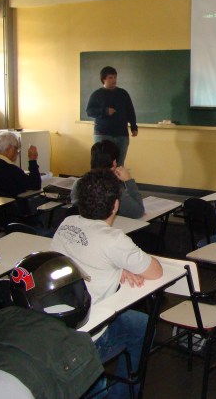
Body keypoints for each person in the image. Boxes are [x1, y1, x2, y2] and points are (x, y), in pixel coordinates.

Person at [50, 168, 163, 399]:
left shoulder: (67, 223)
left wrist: (118, 267)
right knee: (144, 327)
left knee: (138, 322)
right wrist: (122, 264)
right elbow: (156, 271)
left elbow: (87, 256)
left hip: (57, 327)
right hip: (90, 336)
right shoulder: (114, 240)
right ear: (115, 206)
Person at [70, 140, 144, 219]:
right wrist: (128, 180)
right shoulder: (112, 188)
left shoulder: (78, 183)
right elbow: (138, 211)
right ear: (114, 162)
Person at [86, 66, 138, 166]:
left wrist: (134, 127)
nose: (114, 80)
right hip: (103, 134)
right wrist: (105, 111)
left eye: (115, 77)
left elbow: (130, 111)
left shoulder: (123, 93)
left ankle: (118, 177)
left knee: (119, 164)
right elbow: (89, 111)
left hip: (121, 134)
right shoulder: (97, 94)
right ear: (103, 79)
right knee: (102, 164)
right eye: (110, 77)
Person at [0, 131, 41, 196]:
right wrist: (32, 160)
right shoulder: (11, 170)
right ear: (10, 148)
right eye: (16, 148)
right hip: (10, 202)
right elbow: (36, 184)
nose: (17, 152)